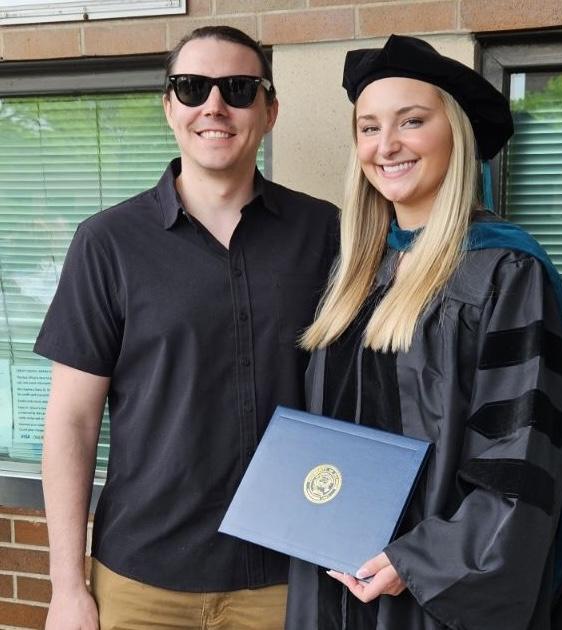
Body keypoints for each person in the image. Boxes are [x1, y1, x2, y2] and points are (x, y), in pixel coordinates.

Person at [36, 25, 338, 630]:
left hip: (285, 576)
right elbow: (72, 421)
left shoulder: (325, 233)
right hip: (140, 581)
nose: (214, 106)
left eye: (238, 88)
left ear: (270, 110)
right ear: (170, 107)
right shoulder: (107, 243)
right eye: (193, 87)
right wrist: (67, 587)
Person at [285, 34, 562, 629]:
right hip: (335, 576)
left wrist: (417, 562)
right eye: (369, 128)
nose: (386, 145)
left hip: (432, 590)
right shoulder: (355, 271)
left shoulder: (504, 271)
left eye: (412, 121)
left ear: (456, 133)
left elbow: (523, 457)